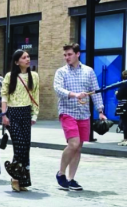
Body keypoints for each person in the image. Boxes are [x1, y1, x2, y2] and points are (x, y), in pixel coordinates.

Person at [53, 43, 106, 190]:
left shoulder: (89, 71)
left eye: (69, 54)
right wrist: (75, 95)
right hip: (67, 112)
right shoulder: (61, 72)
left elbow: (95, 91)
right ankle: (61, 173)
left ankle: (71, 179)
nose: (67, 57)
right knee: (74, 143)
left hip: (83, 114)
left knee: (78, 147)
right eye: (65, 55)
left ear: (78, 54)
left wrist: (100, 111)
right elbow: (58, 89)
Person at [1, 50, 39, 192]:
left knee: (25, 147)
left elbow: (36, 96)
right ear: (17, 62)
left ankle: (21, 180)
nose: (27, 59)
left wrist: (34, 115)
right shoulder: (9, 76)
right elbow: (4, 96)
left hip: (26, 113)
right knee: (20, 145)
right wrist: (4, 115)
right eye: (24, 57)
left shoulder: (34, 76)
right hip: (12, 113)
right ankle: (15, 177)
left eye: (28, 57)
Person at [117, 70, 127, 146]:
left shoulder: (123, 84)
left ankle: (126, 139)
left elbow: (119, 96)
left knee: (125, 123)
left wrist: (117, 93)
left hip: (125, 106)